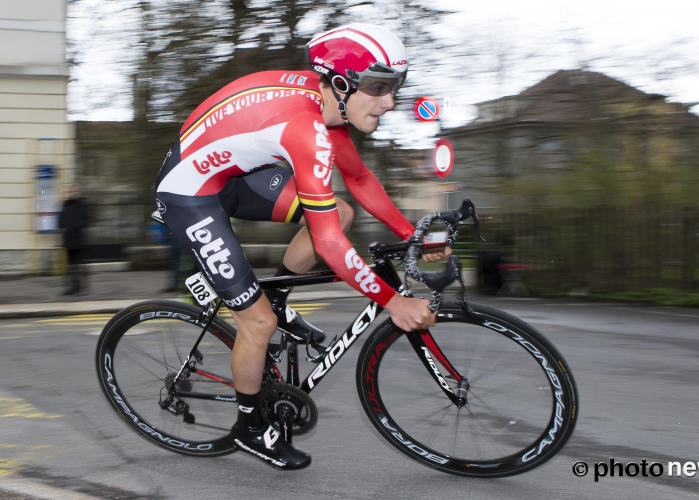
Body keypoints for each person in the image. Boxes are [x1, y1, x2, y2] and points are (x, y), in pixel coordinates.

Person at [154, 23, 449, 470]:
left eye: (396, 88)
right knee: (258, 323)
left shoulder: (330, 105)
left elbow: (360, 179)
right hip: (190, 193)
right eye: (379, 87)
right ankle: (250, 430)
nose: (390, 102)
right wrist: (394, 301)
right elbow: (328, 241)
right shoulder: (305, 127)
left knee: (342, 212)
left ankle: (275, 296)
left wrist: (412, 233)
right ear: (342, 83)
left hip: (232, 175)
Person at [58, 184, 89, 295]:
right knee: (71, 266)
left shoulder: (82, 204)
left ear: (77, 192)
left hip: (79, 240)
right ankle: (72, 288)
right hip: (68, 239)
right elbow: (61, 220)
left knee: (81, 266)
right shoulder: (65, 204)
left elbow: (86, 221)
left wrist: (74, 225)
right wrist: (62, 225)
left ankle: (83, 289)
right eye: (69, 191)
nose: (71, 193)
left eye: (73, 191)